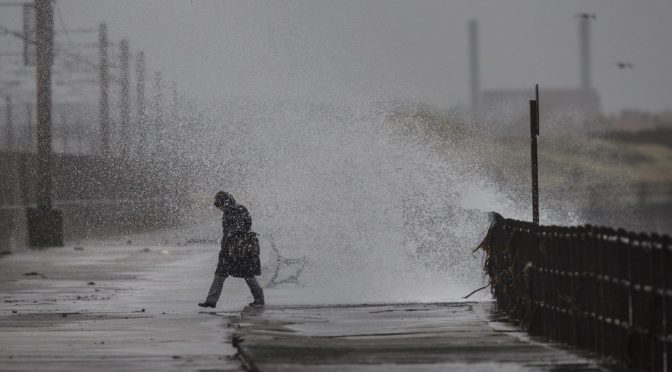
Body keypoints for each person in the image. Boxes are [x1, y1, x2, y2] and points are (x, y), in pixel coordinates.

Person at [199, 191, 264, 308]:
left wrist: (233, 237)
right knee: (220, 274)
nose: (221, 209)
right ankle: (211, 301)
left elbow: (244, 227)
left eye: (221, 206)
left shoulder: (239, 209)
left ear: (226, 202)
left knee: (248, 274)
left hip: (241, 250)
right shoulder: (228, 212)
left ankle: (259, 299)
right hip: (228, 250)